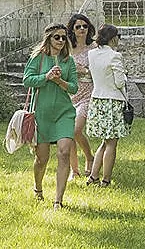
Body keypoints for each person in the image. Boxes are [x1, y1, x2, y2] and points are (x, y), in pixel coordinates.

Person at [23, 24, 78, 207]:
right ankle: (38, 189)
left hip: (64, 113)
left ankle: (58, 201)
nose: (61, 41)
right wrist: (45, 77)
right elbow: (27, 80)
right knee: (41, 159)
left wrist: (60, 80)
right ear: (49, 38)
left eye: (64, 37)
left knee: (64, 152)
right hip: (41, 114)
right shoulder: (38, 57)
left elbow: (74, 87)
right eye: (57, 37)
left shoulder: (68, 60)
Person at [84, 24, 128, 187]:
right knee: (111, 143)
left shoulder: (91, 54)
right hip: (112, 101)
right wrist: (124, 75)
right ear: (112, 38)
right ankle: (106, 179)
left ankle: (93, 176)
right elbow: (119, 82)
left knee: (105, 141)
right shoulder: (115, 56)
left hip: (97, 98)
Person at [66, 13, 97, 177]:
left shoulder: (94, 47)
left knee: (75, 130)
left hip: (88, 93)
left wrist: (83, 70)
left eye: (85, 26)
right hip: (71, 93)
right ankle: (74, 170)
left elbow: (99, 71)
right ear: (72, 29)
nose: (82, 29)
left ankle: (89, 157)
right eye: (78, 26)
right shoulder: (67, 48)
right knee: (68, 134)